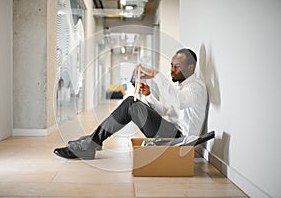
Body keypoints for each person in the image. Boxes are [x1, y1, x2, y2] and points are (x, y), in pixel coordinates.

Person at [53, 48, 208, 160]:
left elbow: (180, 103)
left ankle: (90, 143)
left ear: (190, 67)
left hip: (180, 141)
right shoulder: (181, 87)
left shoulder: (196, 88)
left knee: (129, 104)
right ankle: (91, 141)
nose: (172, 70)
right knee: (132, 103)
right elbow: (165, 110)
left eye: (177, 66)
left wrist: (155, 75)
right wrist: (149, 96)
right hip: (171, 133)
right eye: (171, 65)